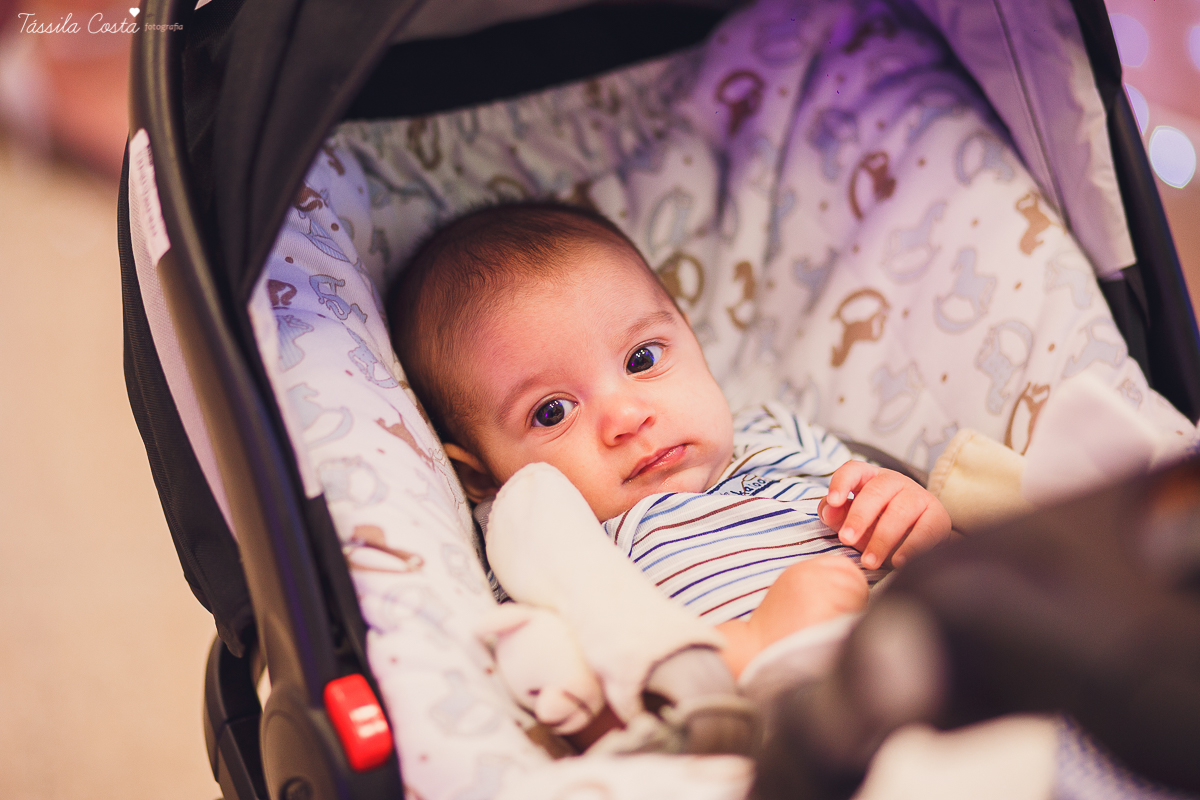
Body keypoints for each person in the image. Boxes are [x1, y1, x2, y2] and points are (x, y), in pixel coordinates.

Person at [387, 201, 952, 678]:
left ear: (691, 336)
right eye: (553, 412)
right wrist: (754, 644)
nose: (627, 417)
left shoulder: (777, 432)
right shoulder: (555, 544)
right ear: (485, 477)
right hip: (777, 711)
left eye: (642, 358)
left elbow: (905, 527)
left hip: (929, 646)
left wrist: (910, 517)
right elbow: (574, 681)